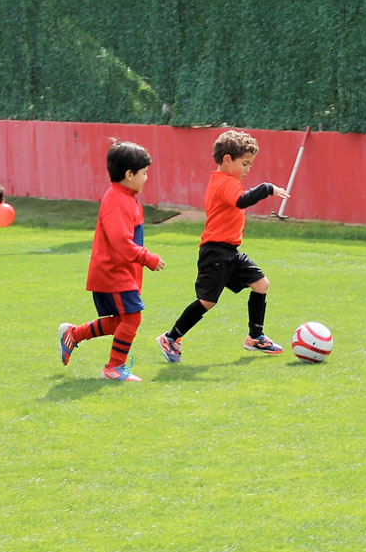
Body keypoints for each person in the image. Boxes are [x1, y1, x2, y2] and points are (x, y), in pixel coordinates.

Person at [156, 129, 291, 362]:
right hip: (215, 251)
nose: (248, 169)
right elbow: (241, 201)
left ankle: (255, 337)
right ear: (227, 159)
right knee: (207, 301)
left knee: (261, 284)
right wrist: (267, 188)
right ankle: (171, 337)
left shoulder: (229, 181)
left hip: (230, 251)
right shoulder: (225, 183)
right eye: (245, 163)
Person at [57, 140, 164, 383]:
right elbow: (121, 243)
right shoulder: (117, 201)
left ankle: (73, 334)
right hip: (114, 272)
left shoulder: (125, 197)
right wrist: (148, 258)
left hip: (121, 272)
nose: (147, 178)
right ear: (129, 174)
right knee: (132, 318)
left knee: (121, 322)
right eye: (144, 173)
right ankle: (114, 368)